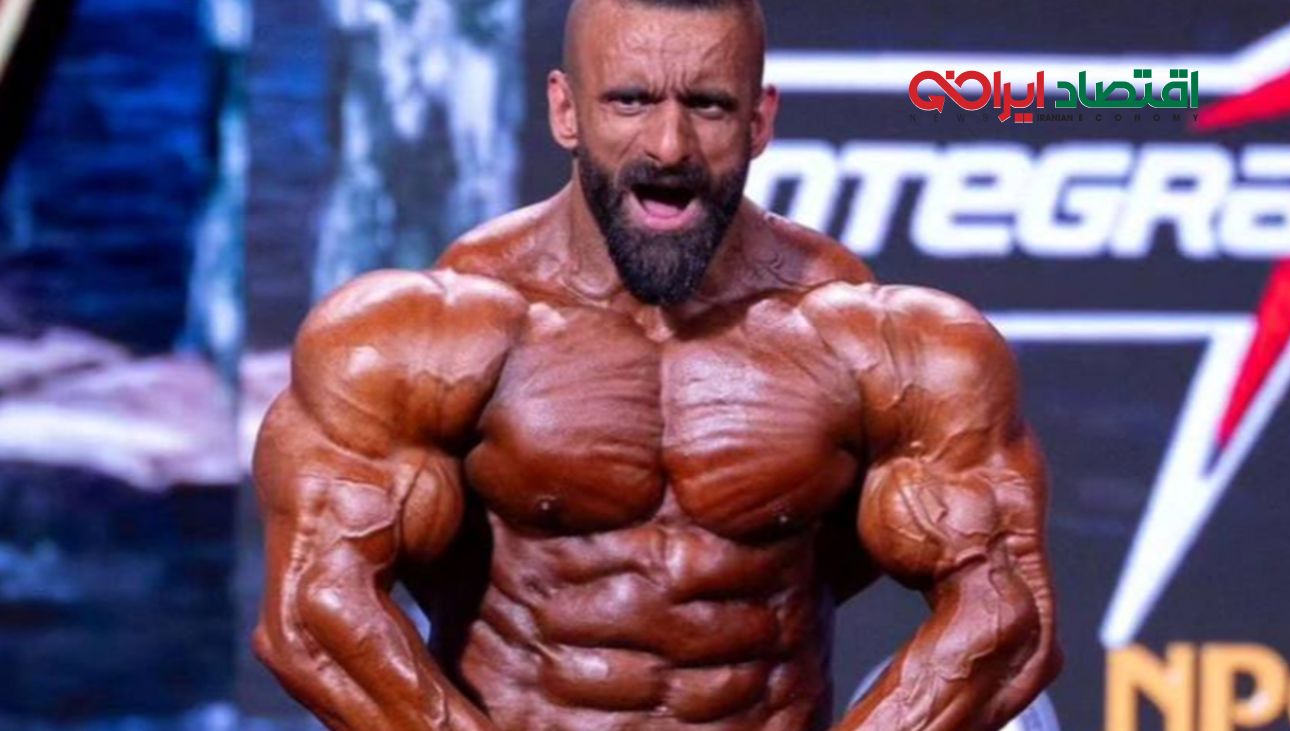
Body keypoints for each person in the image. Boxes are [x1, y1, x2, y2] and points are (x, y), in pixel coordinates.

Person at [251, 0, 1063, 728]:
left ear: (759, 121)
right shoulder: (431, 336)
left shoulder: (878, 343)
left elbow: (1005, 615)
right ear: (565, 110)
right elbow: (315, 614)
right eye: (631, 100)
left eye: (708, 105)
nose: (669, 145)